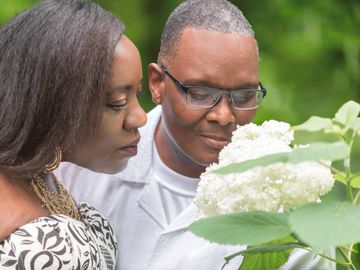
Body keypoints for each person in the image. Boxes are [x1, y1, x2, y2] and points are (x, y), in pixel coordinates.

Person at [57, 0, 334, 269]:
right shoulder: (82, 160)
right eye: (201, 93)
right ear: (157, 84)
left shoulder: (292, 208)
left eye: (244, 95)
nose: (224, 116)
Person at [0, 0, 146, 269]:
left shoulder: (35, 173)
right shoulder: (45, 244)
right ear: (55, 103)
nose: (140, 117)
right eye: (117, 102)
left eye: (138, 95)